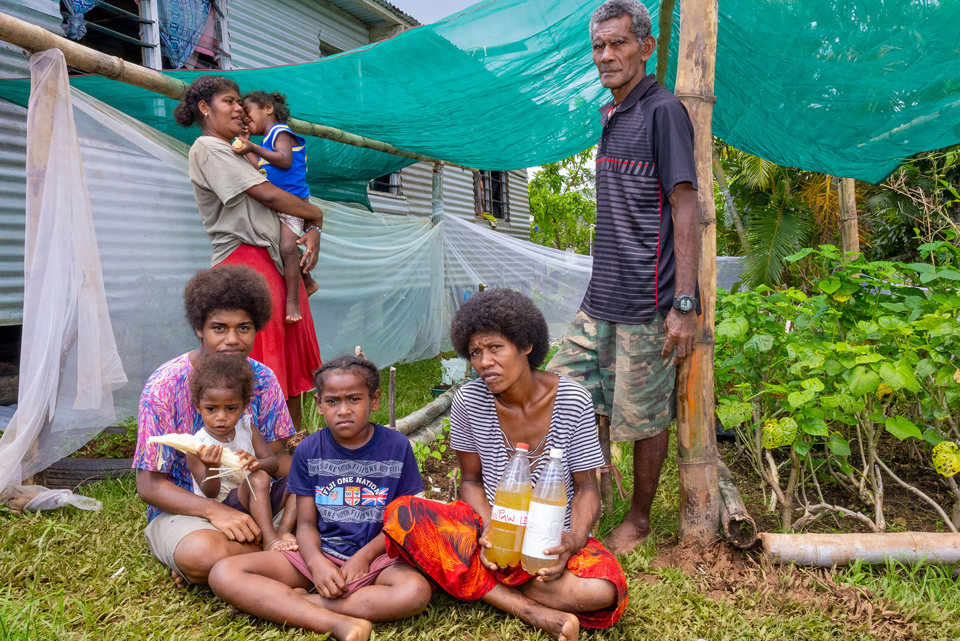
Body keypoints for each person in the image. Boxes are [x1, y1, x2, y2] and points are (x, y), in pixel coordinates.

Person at [383, 289, 628, 641]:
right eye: (475, 353)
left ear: (526, 345)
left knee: (604, 589)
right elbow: (470, 482)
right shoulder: (469, 401)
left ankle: (478, 578)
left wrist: (572, 541)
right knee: (401, 514)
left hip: (550, 539)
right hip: (493, 530)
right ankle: (528, 609)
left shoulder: (572, 399)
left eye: (495, 348)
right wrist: (488, 532)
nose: (483, 362)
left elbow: (588, 489)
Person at [548, 0, 701, 557]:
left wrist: (684, 304)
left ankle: (638, 520)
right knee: (563, 393)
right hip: (601, 297)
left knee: (645, 415)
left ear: (645, 45)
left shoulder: (663, 111)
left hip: (648, 299)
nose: (606, 55)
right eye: (598, 46)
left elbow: (685, 208)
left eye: (617, 43)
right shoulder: (614, 114)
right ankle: (592, 496)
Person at [208, 356, 432, 641]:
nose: (343, 410)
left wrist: (363, 558)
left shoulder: (396, 446)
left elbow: (404, 519)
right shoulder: (309, 451)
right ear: (318, 403)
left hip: (379, 556)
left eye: (354, 399)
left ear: (374, 400)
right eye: (332, 401)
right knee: (224, 573)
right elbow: (305, 524)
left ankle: (298, 604)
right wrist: (317, 564)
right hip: (320, 552)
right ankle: (339, 624)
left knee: (414, 592)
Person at [134, 265, 297, 586]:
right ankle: (278, 553)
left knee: (329, 499)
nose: (232, 340)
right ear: (199, 328)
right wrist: (215, 512)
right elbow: (149, 485)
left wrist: (310, 466)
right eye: (219, 328)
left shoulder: (263, 379)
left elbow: (276, 462)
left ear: (257, 327)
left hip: (255, 501)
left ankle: (254, 552)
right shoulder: (164, 387)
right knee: (200, 554)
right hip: (189, 512)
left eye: (244, 328)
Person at [173, 75, 322, 418]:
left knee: (288, 365)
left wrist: (312, 226)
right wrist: (318, 215)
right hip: (245, 264)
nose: (238, 107)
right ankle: (257, 456)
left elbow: (290, 194)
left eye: (240, 102)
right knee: (255, 367)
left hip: (274, 261)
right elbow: (269, 195)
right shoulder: (207, 148)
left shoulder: (242, 151)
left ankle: (290, 453)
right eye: (229, 101)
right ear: (204, 109)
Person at [186, 352, 297, 552]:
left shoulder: (247, 428)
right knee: (258, 479)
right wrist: (212, 467)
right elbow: (208, 492)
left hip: (263, 498)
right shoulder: (197, 446)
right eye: (211, 409)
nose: (221, 417)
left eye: (231, 409)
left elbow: (272, 464)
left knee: (301, 480)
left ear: (244, 406)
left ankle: (285, 530)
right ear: (198, 407)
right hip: (228, 508)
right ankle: (269, 540)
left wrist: (257, 463)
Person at [235, 90, 319, 325]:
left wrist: (252, 147)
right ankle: (309, 281)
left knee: (287, 248)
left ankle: (293, 300)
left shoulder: (280, 132)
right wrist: (245, 148)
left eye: (248, 114)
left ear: (268, 109)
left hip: (294, 204)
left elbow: (284, 160)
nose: (246, 121)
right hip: (279, 203)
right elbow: (259, 167)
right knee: (286, 245)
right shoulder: (264, 143)